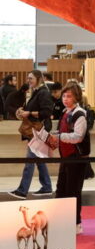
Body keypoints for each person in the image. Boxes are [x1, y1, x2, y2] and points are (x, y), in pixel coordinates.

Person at [52, 82, 90, 235]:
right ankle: (62, 220)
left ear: (76, 97)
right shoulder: (65, 112)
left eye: (69, 96)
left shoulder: (79, 114)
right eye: (64, 96)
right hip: (65, 158)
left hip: (76, 158)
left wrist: (59, 137)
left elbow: (78, 137)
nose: (65, 99)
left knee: (73, 191)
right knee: (61, 189)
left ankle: (76, 223)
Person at [8, 70, 53, 199]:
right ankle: (47, 187)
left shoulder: (43, 92)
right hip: (34, 131)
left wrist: (29, 113)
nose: (28, 80)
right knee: (38, 160)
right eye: (28, 78)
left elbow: (46, 112)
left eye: (31, 78)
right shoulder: (38, 92)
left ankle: (22, 190)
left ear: (38, 78)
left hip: (37, 132)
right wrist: (23, 112)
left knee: (30, 161)